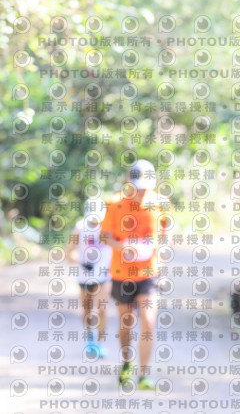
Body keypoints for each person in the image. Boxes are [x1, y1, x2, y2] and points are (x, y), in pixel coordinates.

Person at [100, 159, 171, 390]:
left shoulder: (161, 202)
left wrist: (162, 247)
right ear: (128, 181)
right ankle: (127, 362)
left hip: (150, 272)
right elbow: (104, 235)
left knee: (149, 322)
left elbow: (167, 229)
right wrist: (123, 248)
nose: (142, 192)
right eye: (138, 187)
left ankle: (143, 375)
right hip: (122, 273)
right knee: (126, 324)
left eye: (145, 187)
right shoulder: (115, 203)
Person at [65, 199, 112, 358]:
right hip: (84, 276)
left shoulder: (108, 227)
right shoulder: (80, 227)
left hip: (103, 275)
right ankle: (90, 339)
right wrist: (82, 263)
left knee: (102, 309)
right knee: (87, 310)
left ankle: (100, 344)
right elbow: (68, 252)